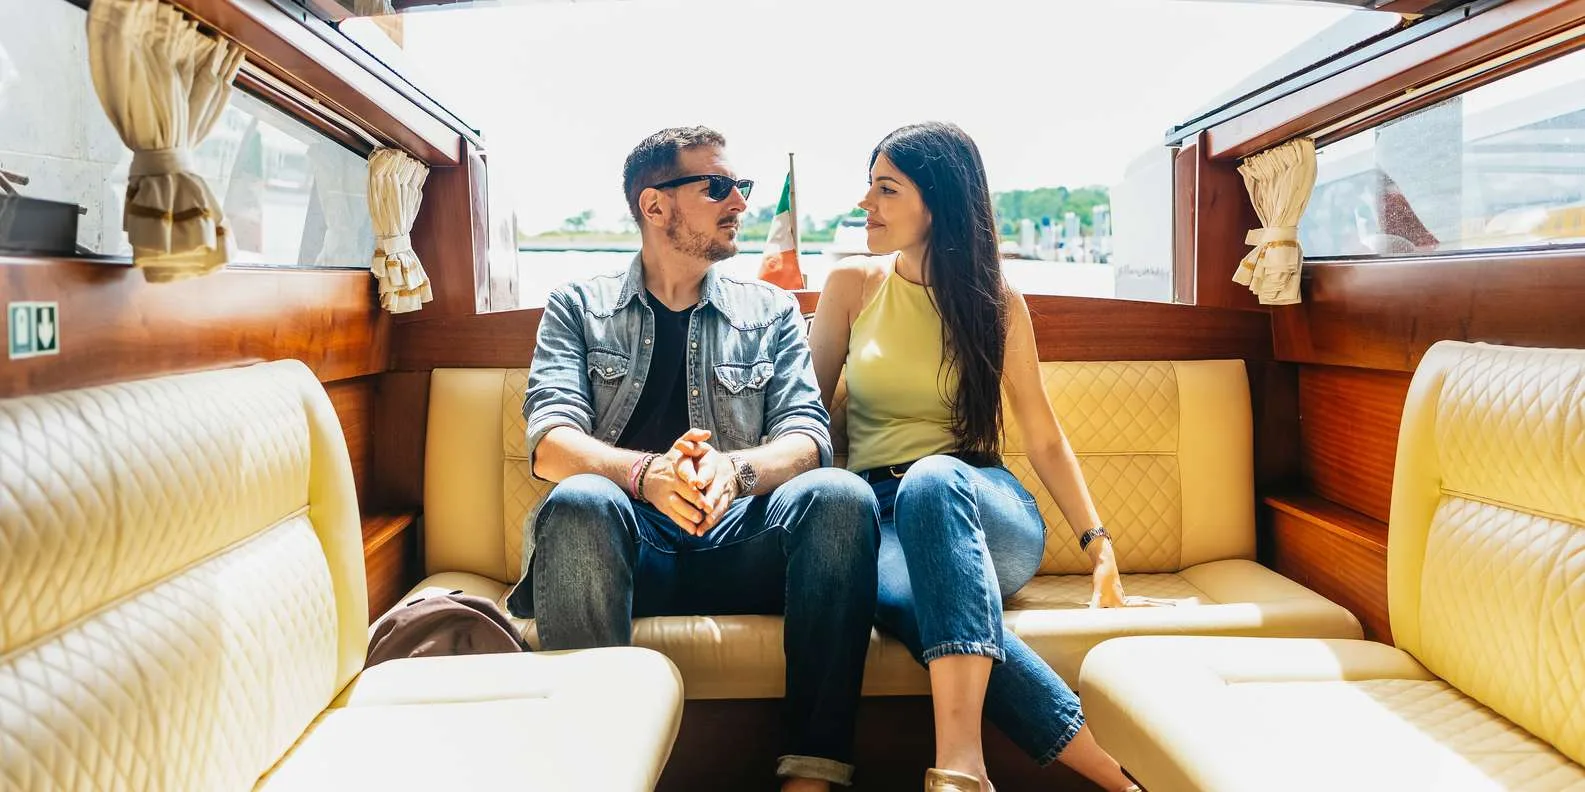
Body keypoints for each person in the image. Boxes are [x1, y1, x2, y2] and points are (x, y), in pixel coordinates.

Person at [506, 126, 879, 790]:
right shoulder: (578, 306)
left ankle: (811, 779)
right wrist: (646, 476)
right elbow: (550, 443)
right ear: (655, 206)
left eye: (742, 186)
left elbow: (807, 436)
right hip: (622, 547)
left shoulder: (769, 311)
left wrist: (733, 473)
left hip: (743, 542)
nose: (739, 202)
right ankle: (598, 772)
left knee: (840, 495)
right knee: (581, 499)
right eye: (717, 187)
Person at [808, 122, 1143, 792]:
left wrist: (1097, 542)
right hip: (881, 519)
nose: (864, 204)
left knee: (932, 480)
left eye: (885, 189)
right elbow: (807, 422)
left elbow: (1042, 436)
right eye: (868, 187)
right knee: (914, 604)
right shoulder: (850, 287)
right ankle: (1118, 780)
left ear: (936, 201)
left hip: (982, 506)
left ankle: (960, 765)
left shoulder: (996, 300)